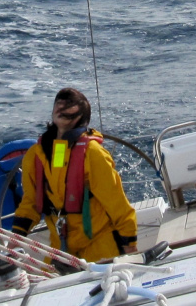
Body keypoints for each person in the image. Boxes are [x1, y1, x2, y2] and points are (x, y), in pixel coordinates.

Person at [11, 88, 138, 261]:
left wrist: (130, 244)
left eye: (69, 104)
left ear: (82, 116)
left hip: (101, 247)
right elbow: (30, 203)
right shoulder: (38, 154)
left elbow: (117, 204)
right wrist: (14, 239)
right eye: (59, 103)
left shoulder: (93, 153)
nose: (62, 107)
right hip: (61, 249)